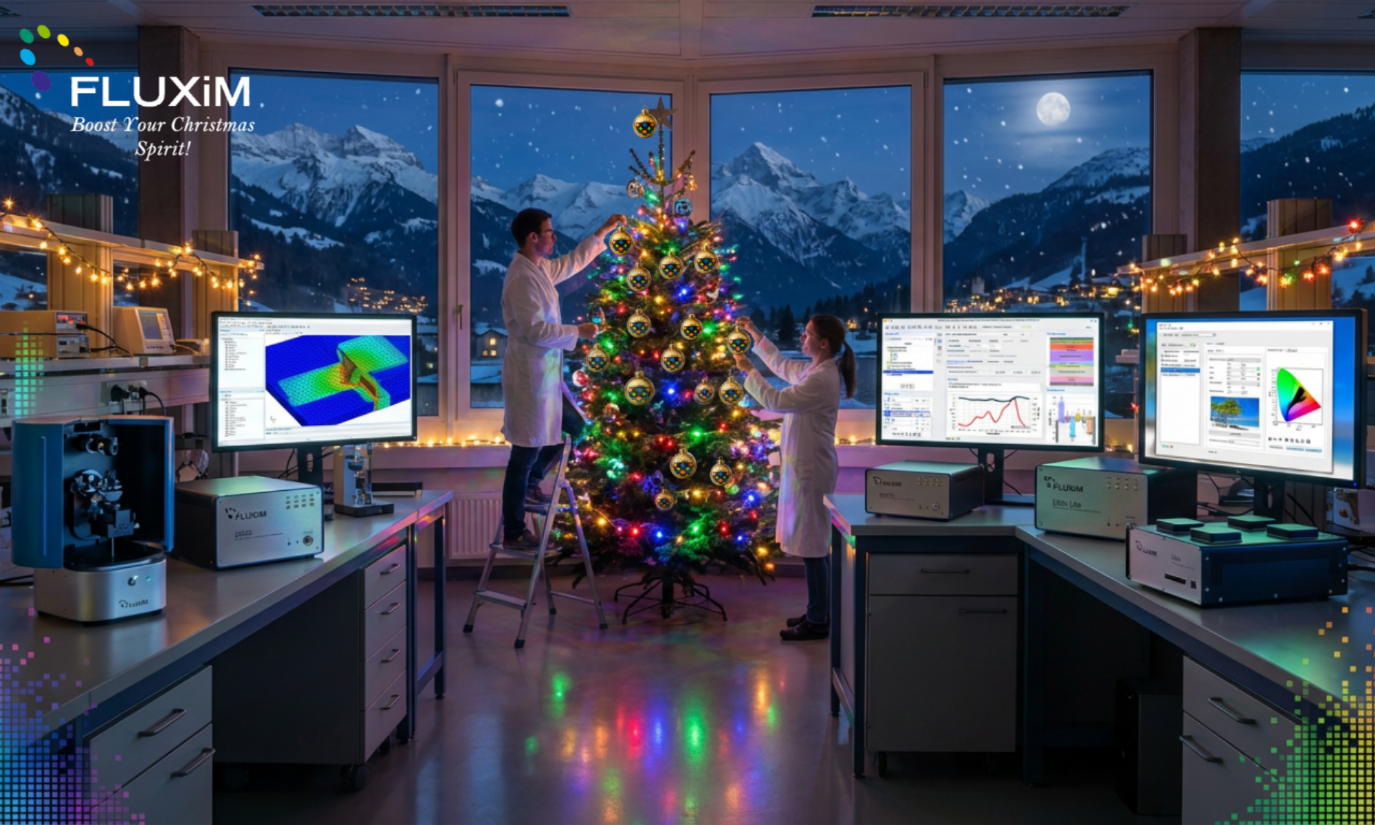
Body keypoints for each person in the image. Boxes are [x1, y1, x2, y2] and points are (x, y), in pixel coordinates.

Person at [500, 207, 626, 551]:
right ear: (533, 237)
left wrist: (604, 230)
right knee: (523, 454)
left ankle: (533, 482)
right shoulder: (521, 278)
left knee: (573, 428)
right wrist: (578, 331)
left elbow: (573, 262)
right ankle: (513, 531)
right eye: (549, 232)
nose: (554, 237)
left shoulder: (538, 268)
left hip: (545, 377)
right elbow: (536, 330)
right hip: (529, 377)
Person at [734, 314, 855, 641]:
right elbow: (781, 365)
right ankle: (820, 610)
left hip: (812, 470)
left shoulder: (821, 379)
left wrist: (748, 371)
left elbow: (776, 400)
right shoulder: (815, 370)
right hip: (806, 467)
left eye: (808, 334)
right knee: (814, 542)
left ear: (823, 343)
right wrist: (754, 333)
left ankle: (817, 620)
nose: (802, 337)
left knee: (812, 546)